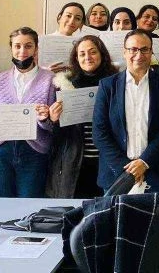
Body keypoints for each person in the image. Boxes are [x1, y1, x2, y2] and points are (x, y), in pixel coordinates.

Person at [93, 30, 159, 205]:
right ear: (124, 52)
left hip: (154, 170)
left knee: (153, 222)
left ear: (151, 52)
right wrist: (127, 170)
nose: (138, 55)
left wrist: (144, 162)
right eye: (133, 49)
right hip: (116, 172)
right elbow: (99, 132)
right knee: (115, 221)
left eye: (144, 49)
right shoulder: (108, 85)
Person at [0, 27, 56, 198]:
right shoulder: (0, 79)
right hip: (1, 151)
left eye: (28, 46)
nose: (22, 51)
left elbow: (54, 125)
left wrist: (44, 119)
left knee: (30, 203)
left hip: (34, 151)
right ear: (11, 48)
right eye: (17, 46)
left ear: (36, 48)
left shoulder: (50, 79)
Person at [47, 35, 117, 198]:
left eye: (93, 52)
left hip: (107, 159)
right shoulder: (65, 85)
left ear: (102, 54)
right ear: (76, 58)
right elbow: (57, 136)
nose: (88, 57)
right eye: (82, 54)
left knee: (105, 207)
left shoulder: (116, 83)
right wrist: (54, 119)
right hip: (76, 160)